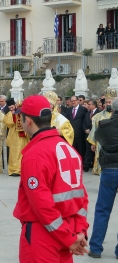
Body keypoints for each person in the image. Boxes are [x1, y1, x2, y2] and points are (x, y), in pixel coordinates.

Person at [13, 95, 89, 263]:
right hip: (68, 229)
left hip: (43, 234)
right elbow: (81, 197)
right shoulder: (69, 149)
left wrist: (68, 238)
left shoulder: (34, 155)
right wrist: (79, 231)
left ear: (28, 121)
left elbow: (42, 205)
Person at [88, 98, 118, 258]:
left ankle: (96, 248)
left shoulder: (103, 124)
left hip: (109, 169)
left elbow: (98, 139)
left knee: (102, 210)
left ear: (111, 109)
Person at [87, 88, 117, 175]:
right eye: (107, 102)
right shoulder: (98, 116)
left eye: (110, 102)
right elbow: (95, 129)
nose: (108, 104)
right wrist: (93, 143)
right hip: (101, 144)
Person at [3, 98, 30, 177]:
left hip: (23, 135)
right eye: (10, 108)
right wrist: (12, 114)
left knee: (22, 151)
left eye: (12, 107)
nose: (11, 108)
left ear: (15, 105)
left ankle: (22, 169)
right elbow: (8, 123)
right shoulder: (9, 113)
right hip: (14, 134)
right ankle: (13, 169)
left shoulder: (23, 112)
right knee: (13, 153)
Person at [65, 95, 88, 162]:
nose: (73, 102)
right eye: (72, 101)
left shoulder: (83, 109)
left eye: (74, 101)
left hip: (80, 133)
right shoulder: (68, 110)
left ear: (78, 101)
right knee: (72, 150)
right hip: (71, 134)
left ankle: (81, 163)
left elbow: (85, 121)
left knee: (81, 150)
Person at [83, 99, 100, 172]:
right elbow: (83, 123)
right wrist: (85, 129)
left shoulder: (99, 113)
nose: (88, 106)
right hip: (87, 136)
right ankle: (86, 166)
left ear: (94, 105)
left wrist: (91, 130)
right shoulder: (87, 113)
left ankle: (94, 166)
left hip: (96, 136)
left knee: (95, 151)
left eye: (89, 104)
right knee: (88, 151)